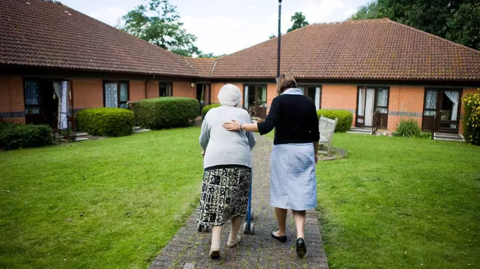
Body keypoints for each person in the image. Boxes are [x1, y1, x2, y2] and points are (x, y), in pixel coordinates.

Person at [223, 74, 319, 258]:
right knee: (300, 191)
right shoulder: (309, 102)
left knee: (281, 189)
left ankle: (282, 232)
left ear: (280, 87)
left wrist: (241, 126)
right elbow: (315, 132)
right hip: (305, 150)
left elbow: (266, 126)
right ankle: (300, 235)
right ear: (295, 86)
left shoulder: (279, 101)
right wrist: (314, 153)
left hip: (284, 151)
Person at [197, 84, 256, 259]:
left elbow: (203, 139)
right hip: (240, 163)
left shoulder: (211, 113)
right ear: (238, 100)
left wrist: (205, 149)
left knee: (216, 201)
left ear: (219, 98)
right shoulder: (244, 114)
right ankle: (231, 239)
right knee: (238, 201)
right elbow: (251, 141)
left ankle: (215, 244)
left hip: (215, 163)